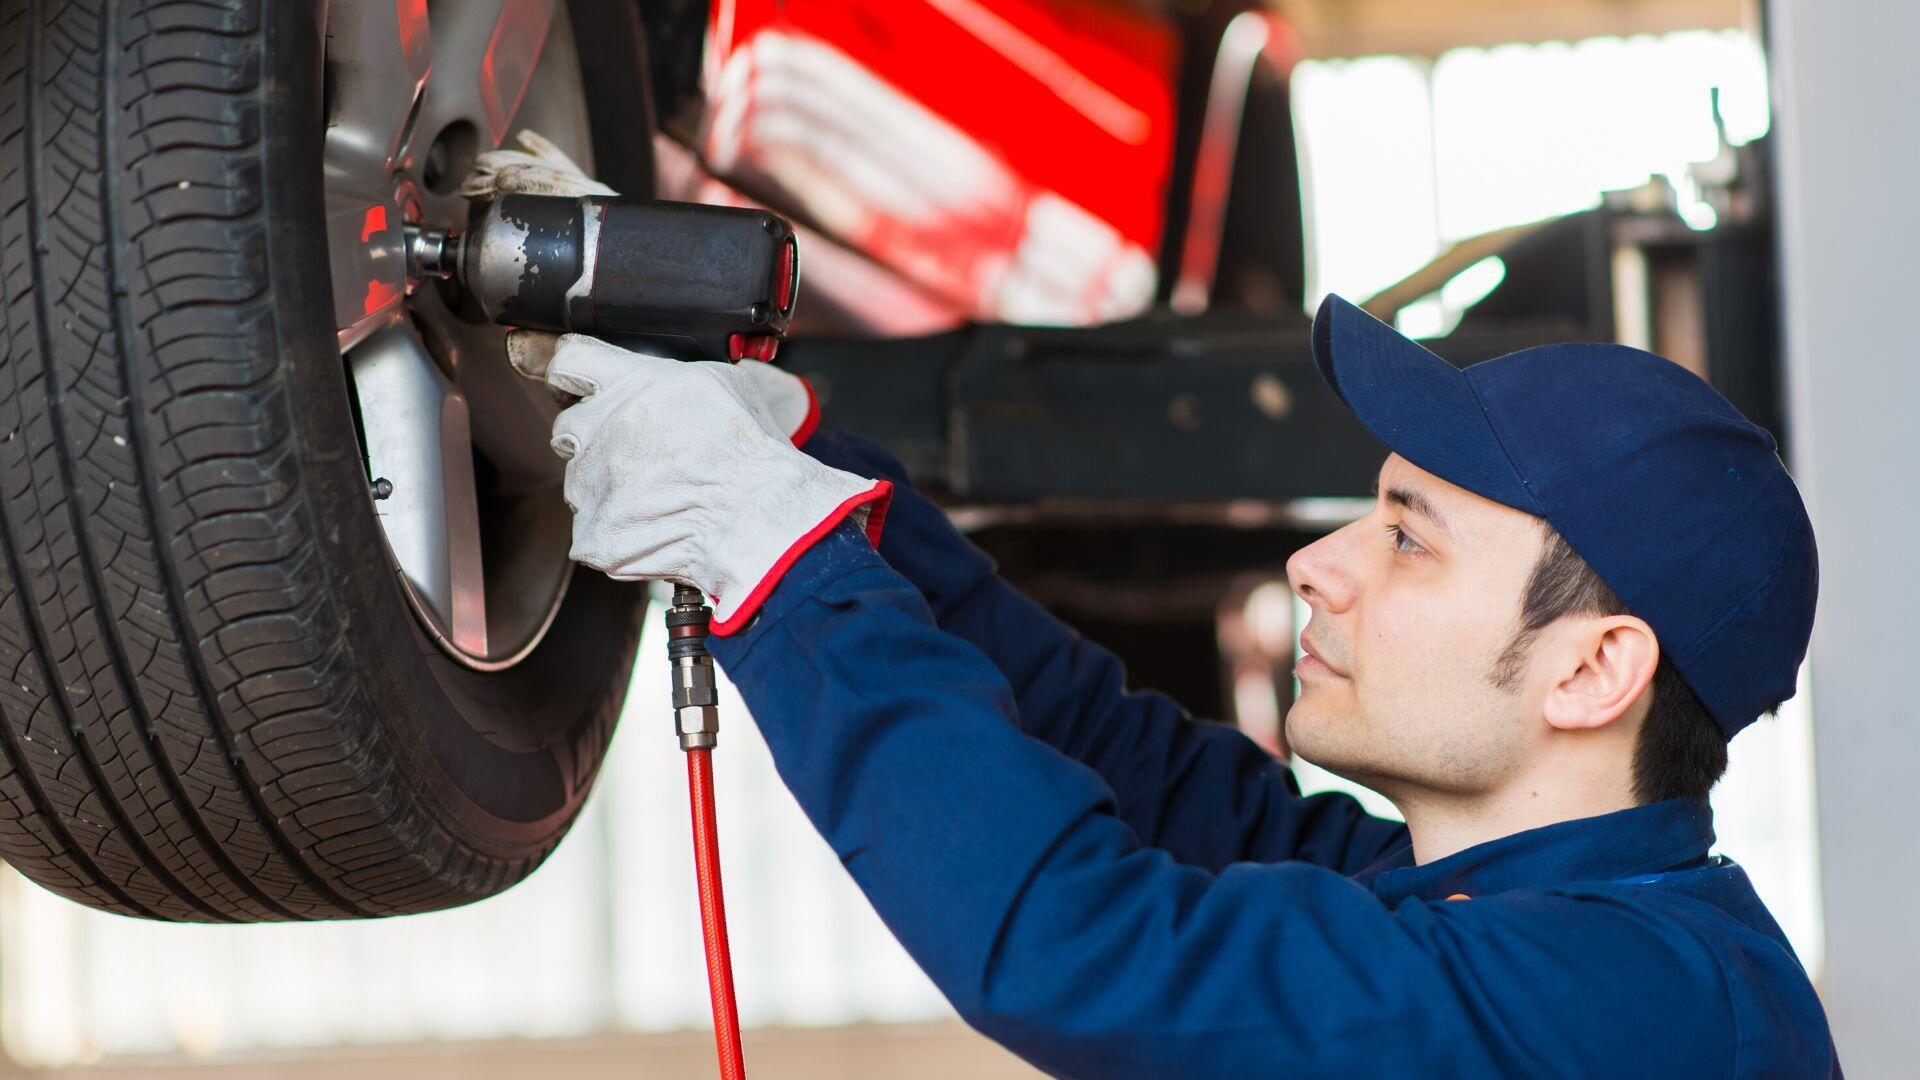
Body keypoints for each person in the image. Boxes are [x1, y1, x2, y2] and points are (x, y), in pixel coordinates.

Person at [478, 139, 1839, 1077]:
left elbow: (1099, 955)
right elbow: (1131, 771)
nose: (1322, 566)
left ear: (1594, 671)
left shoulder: (1638, 1008)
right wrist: (807, 468)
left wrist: (773, 561)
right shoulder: (1513, 905)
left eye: (1410, 541)